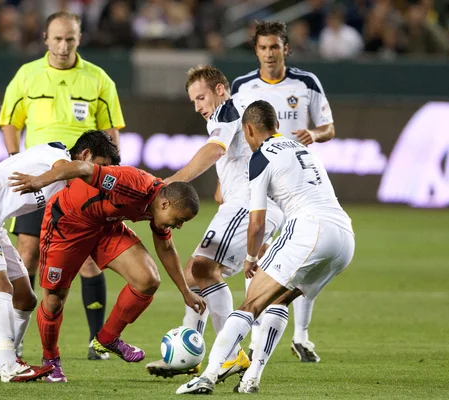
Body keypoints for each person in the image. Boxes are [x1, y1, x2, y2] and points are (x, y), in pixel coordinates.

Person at [176, 100, 355, 395]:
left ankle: (207, 376)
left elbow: (256, 222)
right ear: (277, 126)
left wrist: (249, 258)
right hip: (344, 237)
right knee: (279, 300)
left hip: (309, 230)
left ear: (247, 130)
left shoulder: (260, 158)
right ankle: (251, 380)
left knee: (250, 304)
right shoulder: (303, 150)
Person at [0, 10, 125, 360]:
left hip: (79, 181)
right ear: (45, 39)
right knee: (27, 255)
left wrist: (109, 178)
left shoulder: (99, 80)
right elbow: (10, 122)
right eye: (57, 39)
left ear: (79, 39)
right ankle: (15, 343)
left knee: (87, 260)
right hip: (38, 177)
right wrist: (13, 157)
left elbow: (111, 134)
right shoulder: (27, 76)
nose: (63, 46)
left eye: (70, 39)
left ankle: (96, 342)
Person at [0, 130, 120, 382]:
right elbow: (64, 168)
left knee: (25, 299)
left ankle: (6, 360)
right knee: (0, 288)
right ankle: (7, 363)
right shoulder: (55, 155)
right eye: (100, 166)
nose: (98, 174)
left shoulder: (64, 184)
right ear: (84, 155)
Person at [145, 65, 284, 381]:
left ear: (220, 90)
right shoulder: (236, 115)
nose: (198, 107)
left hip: (249, 204)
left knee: (204, 268)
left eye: (201, 97)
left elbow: (214, 149)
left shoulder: (227, 110)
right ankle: (188, 355)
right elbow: (234, 156)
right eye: (193, 101)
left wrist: (173, 181)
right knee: (195, 274)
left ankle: (231, 354)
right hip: (246, 203)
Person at [8, 163, 207, 383]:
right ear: (165, 203)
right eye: (180, 219)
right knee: (54, 300)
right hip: (68, 223)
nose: (179, 226)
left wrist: (185, 291)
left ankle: (107, 338)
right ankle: (51, 360)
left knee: (147, 279)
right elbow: (83, 168)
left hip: (105, 227)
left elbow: (166, 248)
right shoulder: (132, 184)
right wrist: (41, 180)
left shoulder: (160, 207)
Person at [231, 20, 336, 362]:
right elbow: (235, 137)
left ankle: (302, 337)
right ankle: (255, 333)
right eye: (263, 48)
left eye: (275, 47)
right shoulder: (242, 86)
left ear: (286, 49)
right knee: (257, 253)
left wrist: (315, 135)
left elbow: (329, 127)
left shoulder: (306, 83)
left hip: (296, 186)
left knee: (305, 256)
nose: (269, 54)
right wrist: (223, 180)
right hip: (260, 180)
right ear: (256, 51)